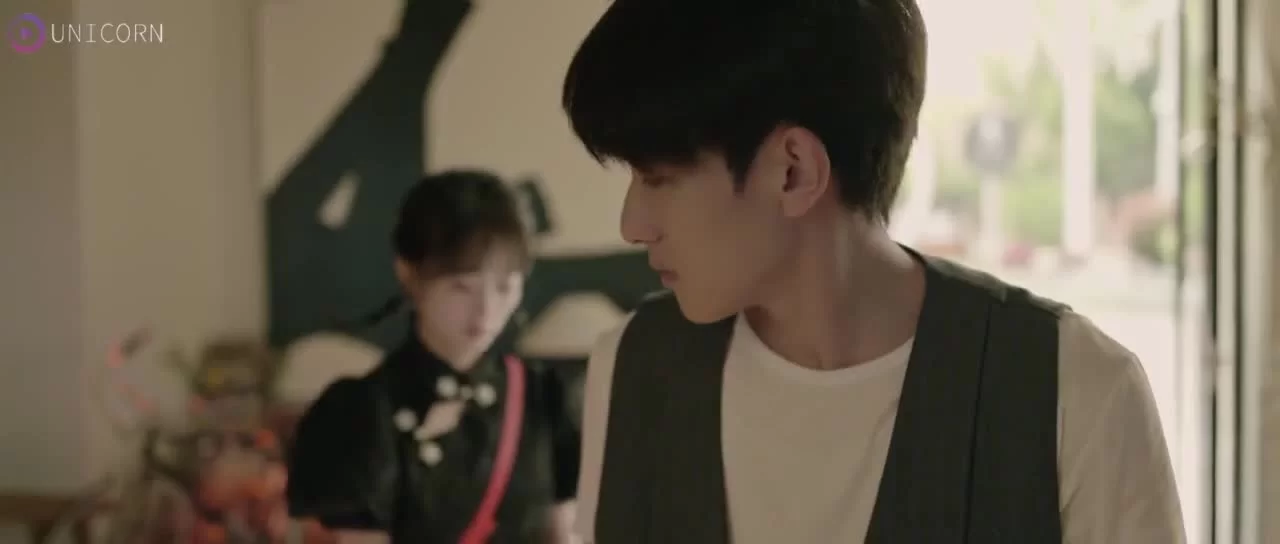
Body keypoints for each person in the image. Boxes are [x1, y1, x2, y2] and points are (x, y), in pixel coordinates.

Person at [559, 1, 1186, 543]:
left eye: (657, 178)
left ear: (793, 171)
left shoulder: (1074, 391)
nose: (632, 224)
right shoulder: (633, 367)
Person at [285, 170, 581, 543]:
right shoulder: (360, 412)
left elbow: (564, 534)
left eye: (505, 287)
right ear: (409, 274)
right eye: (461, 288)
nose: (486, 311)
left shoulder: (543, 396)